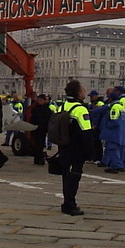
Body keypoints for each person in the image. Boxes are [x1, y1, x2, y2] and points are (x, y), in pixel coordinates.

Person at [57, 79, 94, 215]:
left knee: (66, 175)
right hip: (77, 149)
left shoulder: (62, 106)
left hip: (64, 146)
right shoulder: (80, 109)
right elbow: (86, 132)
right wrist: (91, 153)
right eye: (83, 89)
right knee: (75, 176)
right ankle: (70, 204)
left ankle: (67, 202)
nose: (85, 91)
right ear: (78, 93)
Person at [28, 94, 52, 166]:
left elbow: (49, 119)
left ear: (44, 101)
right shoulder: (35, 108)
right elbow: (32, 118)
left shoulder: (47, 109)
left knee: (41, 144)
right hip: (36, 128)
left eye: (41, 100)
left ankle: (40, 159)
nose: (39, 101)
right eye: (38, 100)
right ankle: (37, 159)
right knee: (37, 144)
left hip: (43, 129)